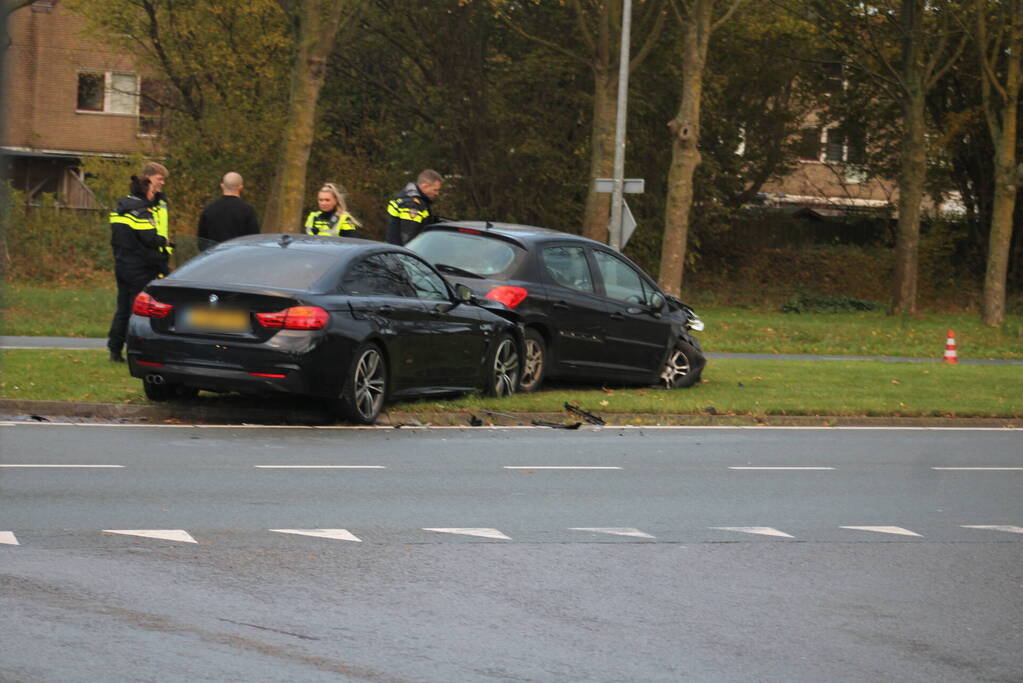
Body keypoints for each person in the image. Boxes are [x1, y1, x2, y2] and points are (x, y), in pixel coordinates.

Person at [106, 173, 170, 363]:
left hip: (122, 264)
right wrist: (164, 242)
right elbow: (149, 239)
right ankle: (136, 350)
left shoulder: (120, 209)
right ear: (147, 190)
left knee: (123, 309)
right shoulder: (142, 211)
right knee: (139, 312)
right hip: (141, 268)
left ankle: (115, 349)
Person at [197, 171, 260, 249]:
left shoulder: (209, 210)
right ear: (241, 187)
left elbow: (202, 242)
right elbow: (254, 240)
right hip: (238, 257)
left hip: (215, 257)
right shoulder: (248, 210)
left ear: (222, 186)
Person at [386, 169, 443, 245]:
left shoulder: (406, 194)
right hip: (402, 253)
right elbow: (409, 238)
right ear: (425, 186)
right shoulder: (412, 205)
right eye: (435, 190)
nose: (437, 193)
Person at [140, 161, 172, 261]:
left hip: (161, 254)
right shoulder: (136, 202)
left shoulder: (161, 201)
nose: (163, 183)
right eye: (159, 179)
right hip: (145, 257)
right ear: (147, 178)